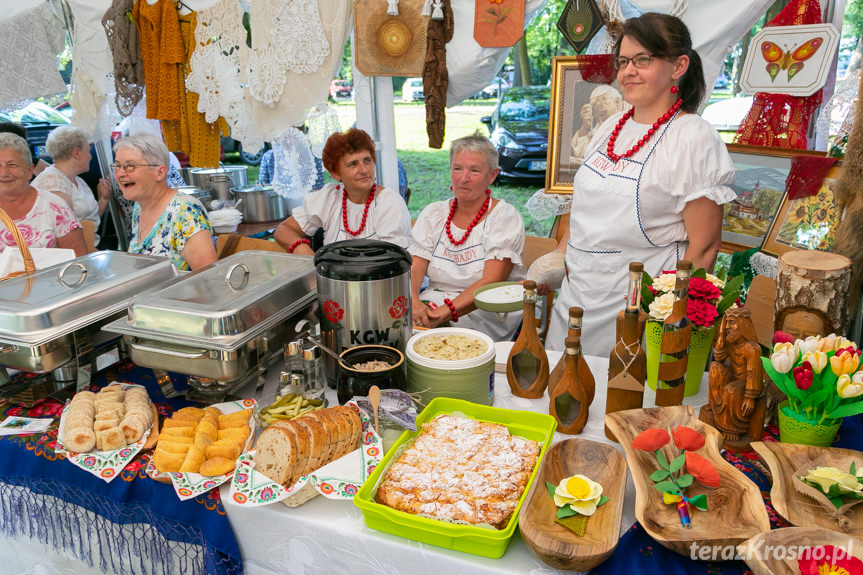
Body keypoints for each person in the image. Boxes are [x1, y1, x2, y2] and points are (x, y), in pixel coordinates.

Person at [544, 13, 736, 358]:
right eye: (622, 61)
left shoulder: (693, 137)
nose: (627, 71)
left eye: (642, 60)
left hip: (638, 311)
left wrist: (667, 316)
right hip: (576, 298)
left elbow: (705, 247)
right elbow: (587, 206)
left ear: (678, 66)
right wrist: (560, 257)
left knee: (624, 407)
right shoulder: (611, 125)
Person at [410, 133, 525, 341]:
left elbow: (491, 281)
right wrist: (414, 302)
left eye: (474, 170)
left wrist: (445, 312)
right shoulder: (434, 213)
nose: (464, 178)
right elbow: (415, 268)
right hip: (435, 299)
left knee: (440, 342)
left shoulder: (504, 217)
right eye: (457, 168)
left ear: (492, 175)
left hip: (485, 309)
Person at [274, 128, 411, 254]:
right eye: (353, 164)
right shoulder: (330, 197)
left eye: (367, 160)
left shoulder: (389, 203)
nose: (364, 170)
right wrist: (303, 250)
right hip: (332, 280)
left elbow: (391, 261)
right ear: (335, 173)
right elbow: (283, 230)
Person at [112, 134, 217, 271]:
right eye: (117, 166)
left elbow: (208, 277)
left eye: (130, 166)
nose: (119, 174)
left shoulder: (185, 211)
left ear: (160, 172)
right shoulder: (139, 206)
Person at [0, 133, 86, 256]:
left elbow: (79, 262)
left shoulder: (55, 207)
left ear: (29, 171)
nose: (4, 173)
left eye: (12, 165)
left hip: (50, 275)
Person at [32, 125, 110, 245]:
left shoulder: (77, 180)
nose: (90, 157)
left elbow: (90, 220)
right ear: (76, 153)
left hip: (89, 247)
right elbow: (63, 237)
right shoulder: (53, 185)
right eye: (88, 151)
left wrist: (104, 199)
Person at [569, 85, 625, 165]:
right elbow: (578, 154)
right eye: (597, 115)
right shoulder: (600, 122)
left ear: (617, 102)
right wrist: (585, 127)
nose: (600, 119)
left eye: (603, 113)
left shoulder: (635, 118)